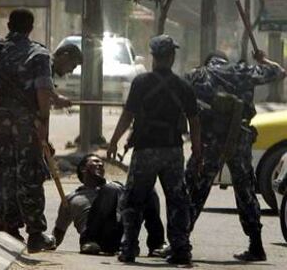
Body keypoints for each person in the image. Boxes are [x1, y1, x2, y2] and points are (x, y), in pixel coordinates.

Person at [0, 9, 82, 253]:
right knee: (29, 176)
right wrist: (44, 123)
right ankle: (35, 233)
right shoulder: (38, 53)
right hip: (26, 125)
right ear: (30, 28)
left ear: (8, 24)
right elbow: (42, 90)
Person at [107, 34, 202, 265]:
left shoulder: (140, 83)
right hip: (172, 151)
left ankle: (129, 248)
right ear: (171, 57)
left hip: (145, 151)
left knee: (133, 199)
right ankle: (180, 248)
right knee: (177, 200)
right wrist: (198, 153)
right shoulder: (183, 86)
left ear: (153, 57)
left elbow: (127, 115)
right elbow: (195, 121)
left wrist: (113, 141)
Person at [185, 50, 286, 261]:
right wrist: (262, 59)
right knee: (245, 191)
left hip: (211, 140)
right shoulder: (244, 71)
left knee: (197, 189)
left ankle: (181, 241)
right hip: (239, 139)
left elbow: (182, 102)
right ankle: (256, 246)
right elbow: (279, 71)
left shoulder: (198, 75)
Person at [52, 154, 165, 256]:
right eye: (95, 162)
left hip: (119, 233)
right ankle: (89, 241)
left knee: (147, 190)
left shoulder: (117, 187)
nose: (100, 164)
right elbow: (59, 231)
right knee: (110, 188)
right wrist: (50, 244)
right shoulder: (71, 198)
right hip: (96, 237)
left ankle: (156, 244)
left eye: (101, 163)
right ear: (83, 169)